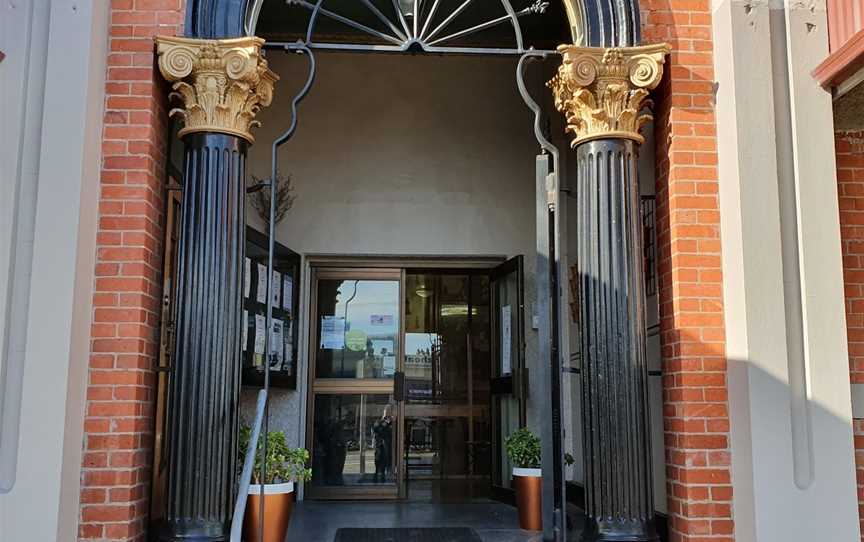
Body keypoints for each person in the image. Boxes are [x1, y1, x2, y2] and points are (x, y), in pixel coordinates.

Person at [372, 404, 394, 483]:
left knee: (387, 463)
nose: (387, 411)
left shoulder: (393, 422)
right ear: (384, 411)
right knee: (378, 461)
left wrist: (389, 422)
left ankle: (385, 476)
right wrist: (385, 422)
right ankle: (377, 474)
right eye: (386, 409)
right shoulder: (379, 421)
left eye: (389, 410)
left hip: (389, 446)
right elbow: (376, 429)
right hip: (380, 445)